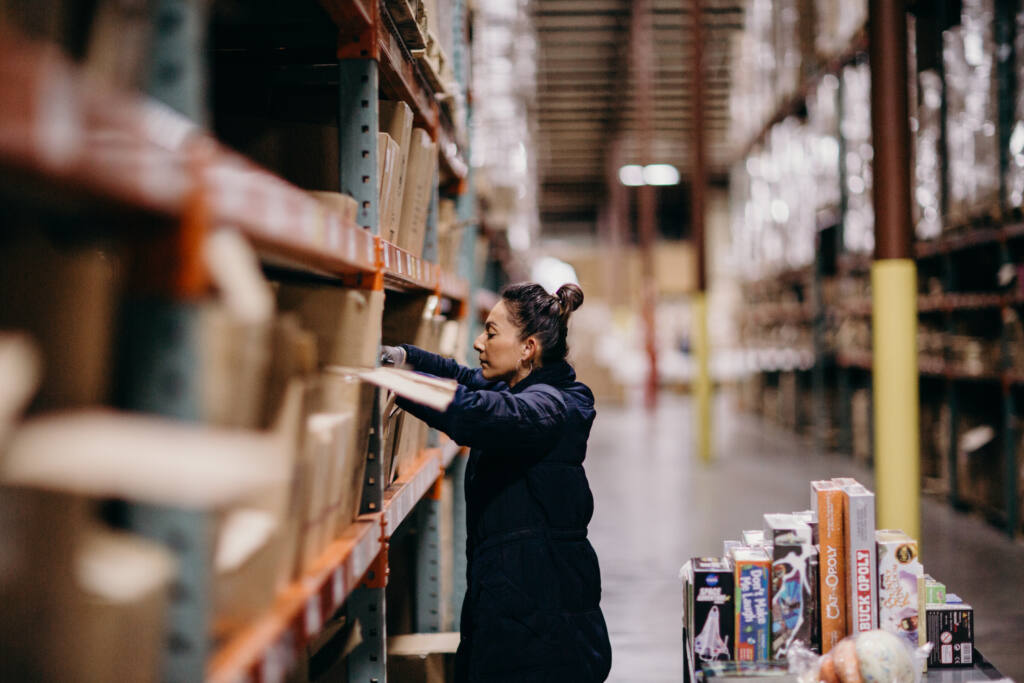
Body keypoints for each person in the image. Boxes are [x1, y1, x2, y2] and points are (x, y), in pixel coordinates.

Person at [381, 281, 612, 683]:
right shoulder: (517, 386)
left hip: (543, 633)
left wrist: (397, 384)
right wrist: (402, 358)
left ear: (528, 348)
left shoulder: (551, 407)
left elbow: (479, 413)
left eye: (490, 332)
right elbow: (460, 376)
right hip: (516, 611)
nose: (477, 342)